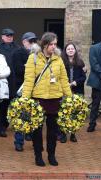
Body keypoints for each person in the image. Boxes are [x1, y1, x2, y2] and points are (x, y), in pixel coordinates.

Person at [22, 32, 72, 167]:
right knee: (37, 129)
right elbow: (29, 80)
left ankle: (51, 155)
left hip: (54, 99)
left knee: (53, 130)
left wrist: (70, 97)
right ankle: (38, 155)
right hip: (39, 98)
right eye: (51, 44)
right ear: (44, 44)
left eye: (55, 44)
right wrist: (25, 99)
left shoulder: (58, 59)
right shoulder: (33, 58)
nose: (53, 47)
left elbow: (64, 80)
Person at [12, 32, 37, 151]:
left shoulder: (38, 54)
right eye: (30, 41)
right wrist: (32, 67)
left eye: (34, 41)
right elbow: (18, 70)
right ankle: (18, 141)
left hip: (35, 88)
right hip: (21, 88)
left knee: (33, 115)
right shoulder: (17, 53)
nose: (33, 44)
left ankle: (31, 136)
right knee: (20, 115)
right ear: (24, 42)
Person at [57, 42, 86, 143]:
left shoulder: (80, 62)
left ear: (75, 50)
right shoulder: (61, 61)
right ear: (65, 51)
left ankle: (73, 134)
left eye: (72, 49)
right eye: (68, 49)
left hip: (77, 91)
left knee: (75, 113)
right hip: (64, 91)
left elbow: (83, 77)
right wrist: (66, 84)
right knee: (64, 112)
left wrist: (74, 82)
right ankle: (63, 134)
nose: (70, 50)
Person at [0, 28, 20, 100]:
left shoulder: (17, 47)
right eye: (8, 36)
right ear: (2, 37)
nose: (10, 37)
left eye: (11, 36)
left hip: (15, 78)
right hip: (2, 78)